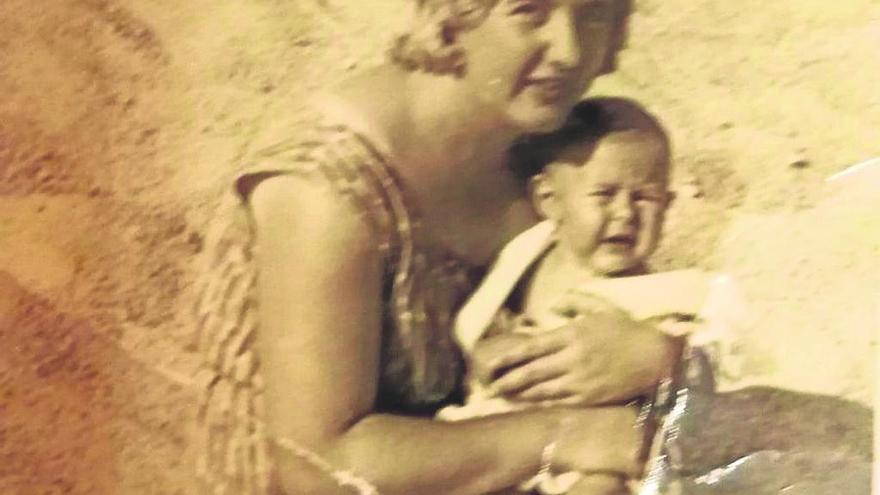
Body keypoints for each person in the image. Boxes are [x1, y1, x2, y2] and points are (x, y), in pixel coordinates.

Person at [193, 1, 681, 494]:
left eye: (594, 12)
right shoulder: (328, 193)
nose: (569, 50)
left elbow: (617, 305)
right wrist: (565, 433)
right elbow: (316, 469)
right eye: (530, 11)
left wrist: (659, 357)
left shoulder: (545, 144)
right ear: (452, 15)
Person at [438, 97, 725, 495]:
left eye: (645, 197)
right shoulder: (528, 255)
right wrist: (491, 350)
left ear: (668, 205)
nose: (626, 213)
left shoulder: (666, 294)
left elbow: (702, 371)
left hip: (604, 446)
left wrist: (664, 355)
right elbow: (479, 323)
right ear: (549, 200)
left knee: (603, 487)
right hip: (507, 426)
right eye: (604, 195)